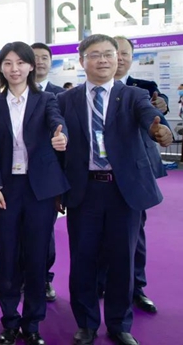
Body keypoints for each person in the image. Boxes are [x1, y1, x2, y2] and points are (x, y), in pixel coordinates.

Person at [57, 35, 172, 345]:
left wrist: (159, 129)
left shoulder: (133, 95)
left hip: (123, 192)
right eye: (95, 55)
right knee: (83, 259)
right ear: (82, 61)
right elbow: (58, 143)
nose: (104, 60)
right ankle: (86, 324)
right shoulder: (66, 100)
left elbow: (150, 117)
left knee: (123, 260)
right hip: (84, 191)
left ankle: (120, 325)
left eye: (109, 54)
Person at [0, 42, 69, 345]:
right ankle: (10, 321)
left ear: (31, 66)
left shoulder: (46, 99)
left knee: (36, 257)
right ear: (1, 67)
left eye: (20, 62)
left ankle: (32, 323)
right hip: (6, 189)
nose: (14, 69)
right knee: (7, 256)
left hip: (39, 190)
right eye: (7, 63)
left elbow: (57, 123)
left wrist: (61, 136)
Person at [98, 35, 169, 313]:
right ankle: (102, 282)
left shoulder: (143, 88)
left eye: (123, 53)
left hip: (134, 172)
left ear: (129, 57)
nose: (117, 57)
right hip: (98, 173)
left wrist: (162, 110)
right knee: (98, 233)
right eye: (111, 52)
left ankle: (136, 287)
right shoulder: (89, 92)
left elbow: (156, 112)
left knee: (133, 234)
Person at [30, 42, 65, 302]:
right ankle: (23, 278)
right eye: (35, 57)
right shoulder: (8, 94)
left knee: (44, 234)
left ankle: (44, 279)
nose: (40, 61)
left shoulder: (60, 96)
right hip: (15, 179)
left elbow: (63, 132)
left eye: (45, 57)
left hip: (46, 178)